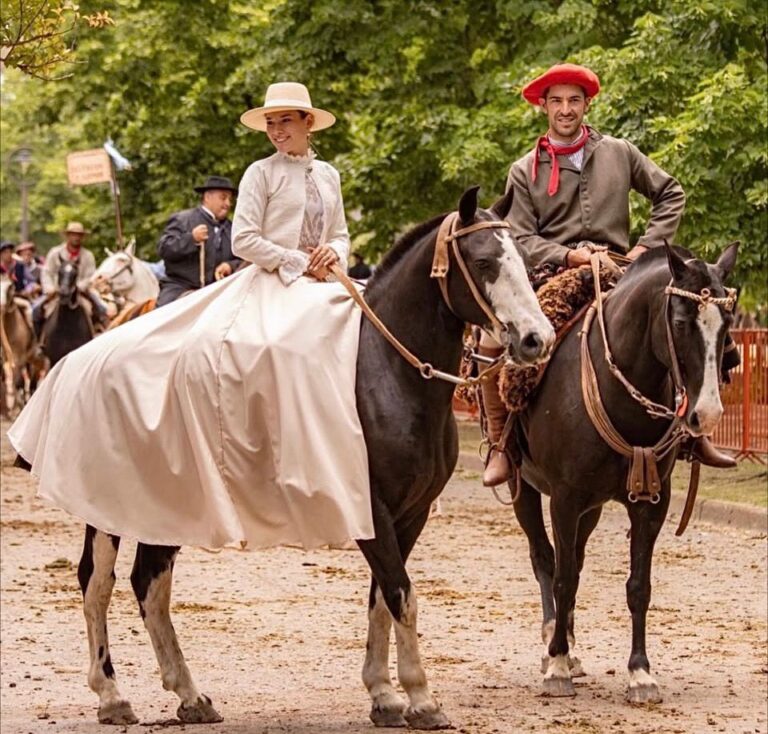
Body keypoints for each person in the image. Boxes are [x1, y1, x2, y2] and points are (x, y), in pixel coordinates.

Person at [8, 82, 374, 551]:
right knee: (271, 347)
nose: (276, 130)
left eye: (285, 121)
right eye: (270, 122)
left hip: (326, 282)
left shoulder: (329, 175)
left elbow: (340, 232)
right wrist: (298, 260)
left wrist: (333, 253)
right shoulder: (260, 173)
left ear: (308, 122)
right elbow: (244, 240)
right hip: (273, 281)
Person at [479, 62, 733, 486]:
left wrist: (645, 248)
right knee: (493, 339)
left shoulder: (621, 151)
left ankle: (693, 435)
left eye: (574, 101)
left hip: (623, 270)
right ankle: (503, 443)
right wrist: (568, 257)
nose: (565, 109)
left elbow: (671, 193)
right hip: (553, 272)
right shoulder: (524, 169)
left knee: (687, 323)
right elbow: (521, 235)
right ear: (543, 106)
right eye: (556, 101)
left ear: (586, 104)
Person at [156, 176, 241, 307]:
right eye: (223, 198)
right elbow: (164, 249)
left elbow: (244, 258)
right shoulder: (182, 219)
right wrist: (191, 239)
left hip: (218, 291)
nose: (228, 204)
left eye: (230, 199)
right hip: (180, 287)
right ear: (207, 197)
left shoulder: (232, 229)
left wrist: (231, 265)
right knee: (162, 320)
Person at [31, 222, 108, 336]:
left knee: (101, 309)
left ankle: (97, 336)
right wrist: (50, 288)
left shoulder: (88, 255)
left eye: (78, 235)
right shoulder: (55, 253)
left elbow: (90, 275)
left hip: (80, 292)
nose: (76, 238)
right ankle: (39, 342)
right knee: (36, 309)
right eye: (73, 234)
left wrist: (79, 287)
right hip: (57, 291)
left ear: (82, 237)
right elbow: (47, 272)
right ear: (68, 236)